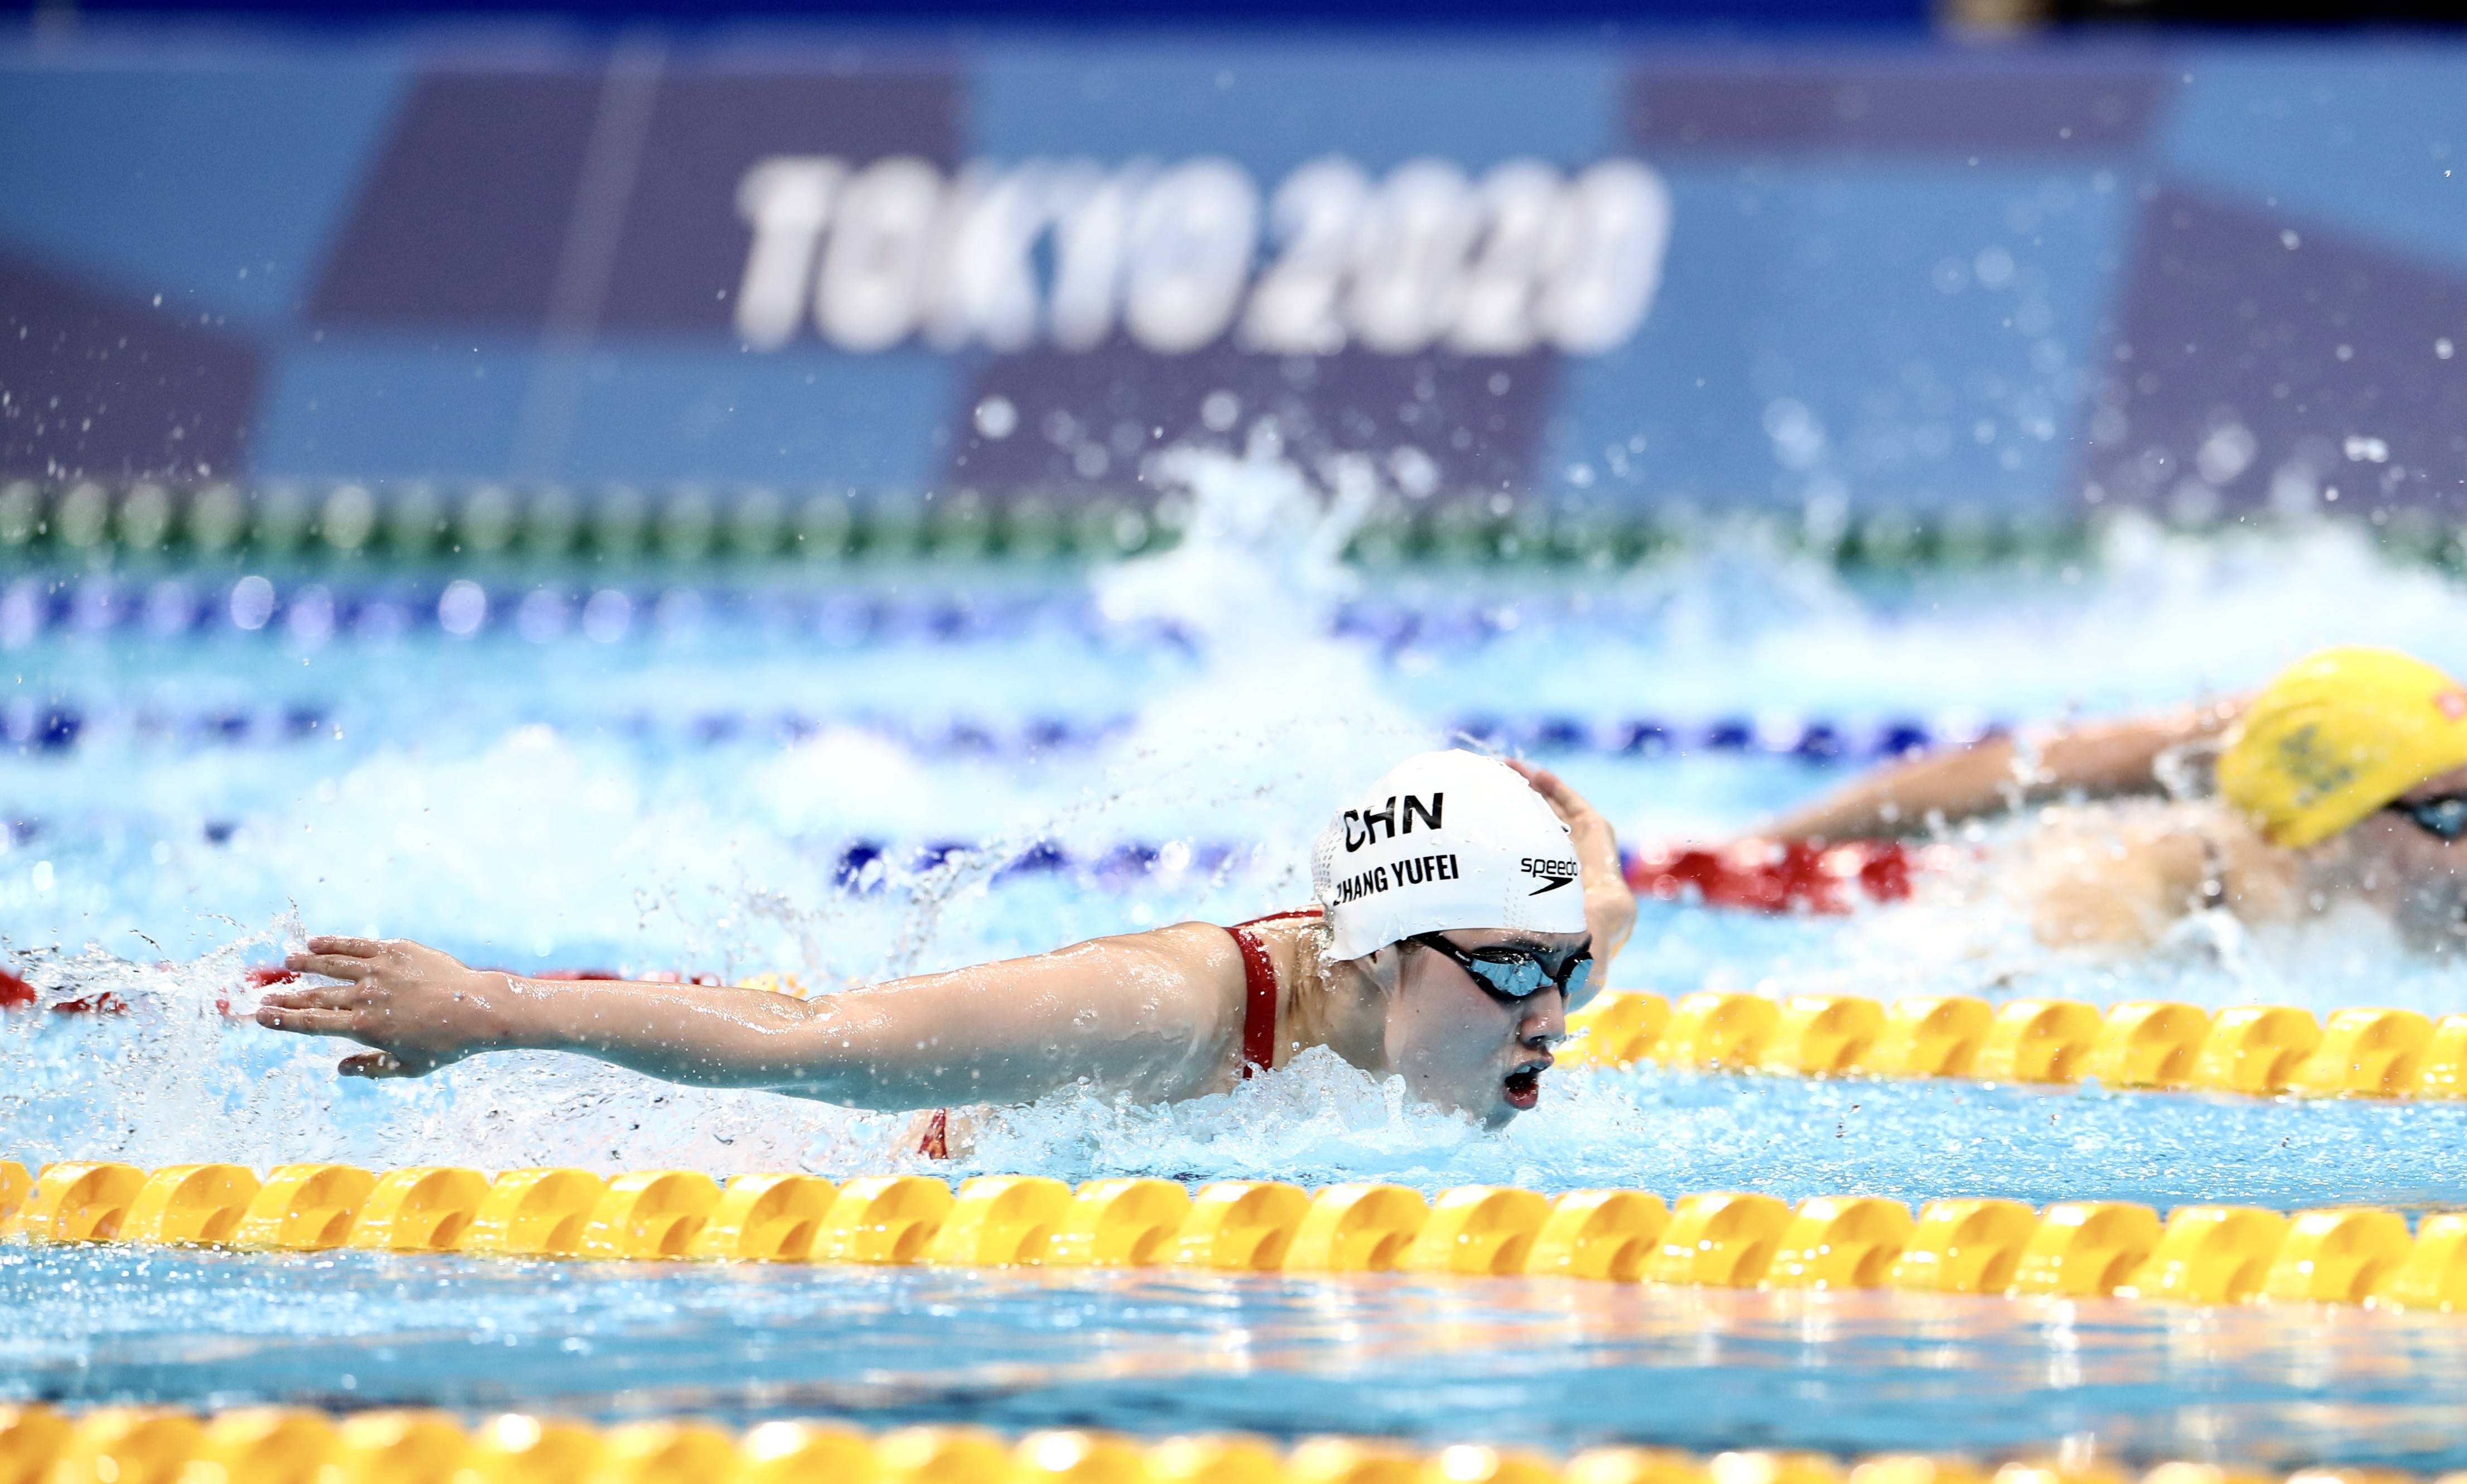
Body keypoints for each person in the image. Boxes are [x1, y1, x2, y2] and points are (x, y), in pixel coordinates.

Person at [256, 750, 1636, 1129]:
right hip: (838, 1148)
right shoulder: (1157, 1011)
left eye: (1566, 968)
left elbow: (1579, 929)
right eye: (1519, 970)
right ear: (1380, 955)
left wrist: (1588, 886)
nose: (1554, 1016)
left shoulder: (1470, 972)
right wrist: (488, 1007)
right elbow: (806, 1049)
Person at [1757, 645, 2467, 953]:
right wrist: (1762, 848)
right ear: (2325, 833)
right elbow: (2040, 766)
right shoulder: (2140, 887)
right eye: (2454, 818)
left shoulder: (2405, 789)